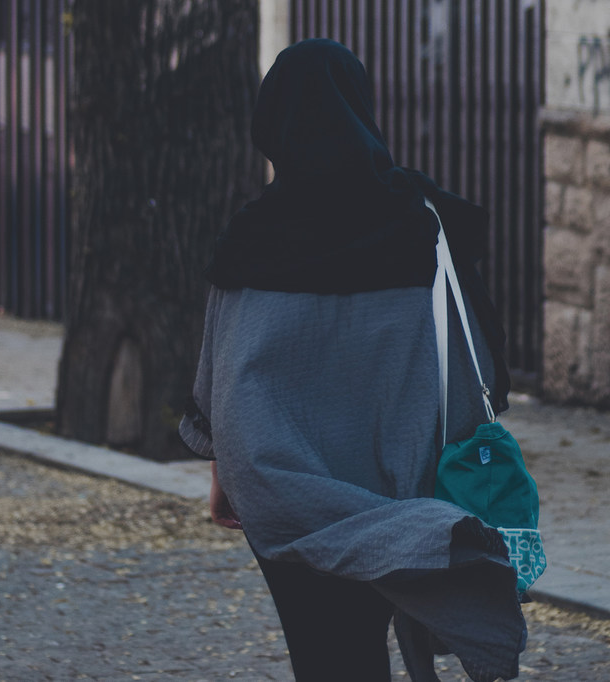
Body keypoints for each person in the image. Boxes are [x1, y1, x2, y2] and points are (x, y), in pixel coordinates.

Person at [178, 39, 525, 682]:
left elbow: (224, 375)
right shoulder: (418, 222)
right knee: (365, 640)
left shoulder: (252, 236)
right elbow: (468, 350)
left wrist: (224, 475)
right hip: (398, 495)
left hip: (284, 492)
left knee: (325, 656)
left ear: (272, 122)